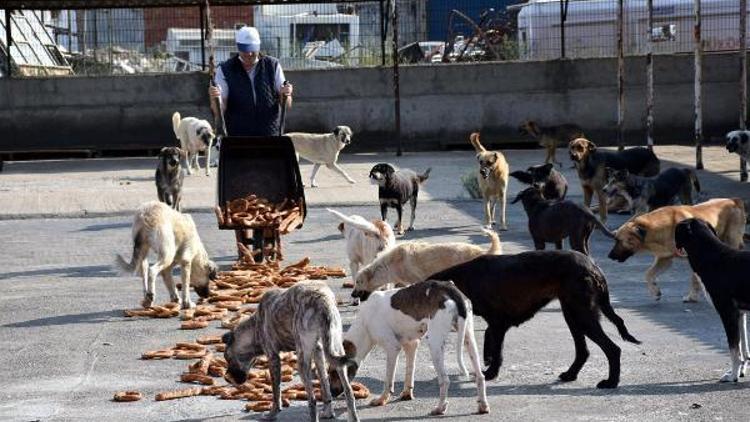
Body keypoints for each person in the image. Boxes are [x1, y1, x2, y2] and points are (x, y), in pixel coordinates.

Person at [209, 26, 294, 261]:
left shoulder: (272, 65)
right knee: (239, 195)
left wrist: (287, 93)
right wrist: (215, 98)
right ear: (239, 50)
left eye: (253, 53)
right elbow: (220, 110)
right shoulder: (225, 70)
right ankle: (243, 249)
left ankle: (273, 246)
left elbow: (285, 102)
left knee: (273, 194)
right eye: (245, 53)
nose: (249, 58)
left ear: (258, 50)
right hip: (239, 142)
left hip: (269, 140)